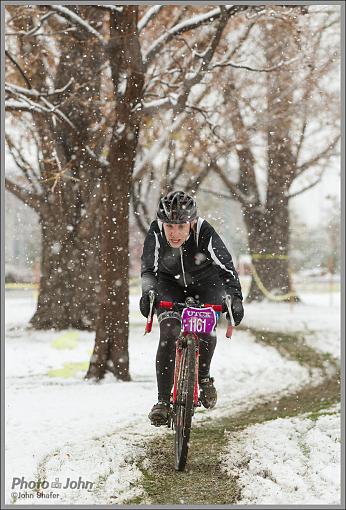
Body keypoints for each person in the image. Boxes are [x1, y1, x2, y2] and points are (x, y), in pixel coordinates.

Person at [140, 190, 244, 426]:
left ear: (192, 222)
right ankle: (163, 402)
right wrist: (148, 292)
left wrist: (235, 298)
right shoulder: (156, 232)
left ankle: (204, 378)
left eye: (181, 227)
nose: (174, 233)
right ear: (162, 224)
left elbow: (227, 270)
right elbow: (149, 270)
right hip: (168, 285)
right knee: (168, 332)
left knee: (206, 330)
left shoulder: (205, 231)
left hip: (207, 284)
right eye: (169, 227)